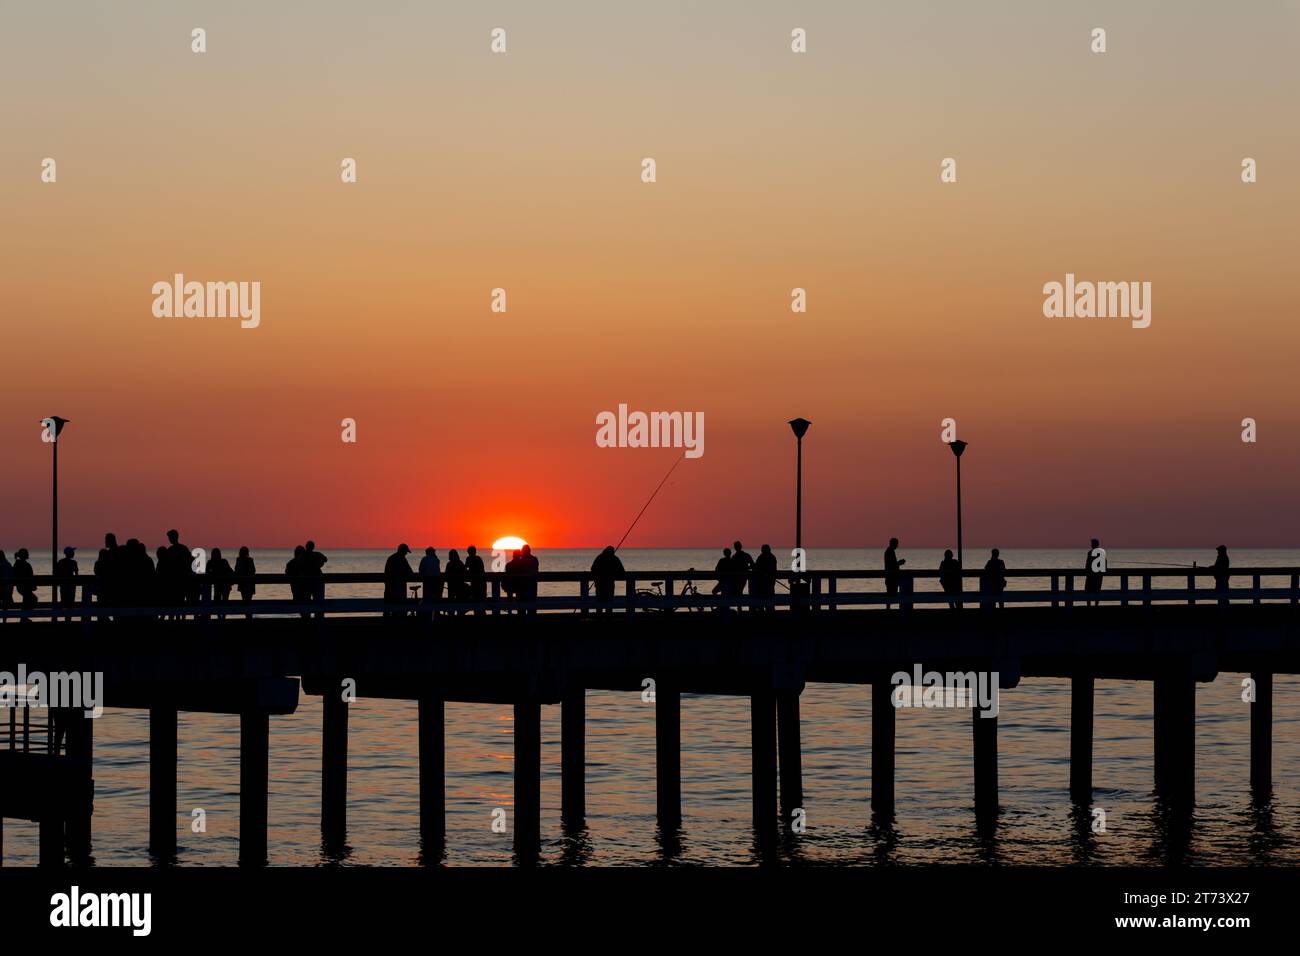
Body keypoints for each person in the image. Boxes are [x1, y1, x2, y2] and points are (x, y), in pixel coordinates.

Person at [590, 545, 624, 616]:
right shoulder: (614, 558)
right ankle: (608, 617)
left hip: (599, 584)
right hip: (609, 584)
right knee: (609, 602)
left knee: (599, 602)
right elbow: (622, 571)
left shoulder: (599, 557)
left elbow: (593, 569)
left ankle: (599, 617)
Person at [383, 544, 413, 618]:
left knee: (388, 607)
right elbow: (410, 572)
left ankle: (387, 622)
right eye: (406, 552)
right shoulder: (402, 559)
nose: (406, 554)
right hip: (399, 588)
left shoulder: (391, 558)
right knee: (400, 608)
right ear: (402, 551)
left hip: (389, 587)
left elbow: (386, 572)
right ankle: (399, 622)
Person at [752, 544, 778, 612]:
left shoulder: (761, 557)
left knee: (762, 600)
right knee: (770, 600)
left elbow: (756, 567)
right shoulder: (772, 557)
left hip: (762, 583)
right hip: (770, 582)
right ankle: (770, 612)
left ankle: (763, 613)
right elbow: (774, 569)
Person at [13, 548, 36, 622]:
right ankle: (24, 617)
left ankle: (24, 617)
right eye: (27, 553)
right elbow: (30, 576)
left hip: (21, 586)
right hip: (25, 586)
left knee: (26, 600)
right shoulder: (25, 565)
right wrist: (33, 586)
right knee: (32, 599)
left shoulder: (17, 564)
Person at [418, 547, 442, 617]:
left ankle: (426, 614)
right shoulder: (437, 559)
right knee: (435, 598)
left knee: (427, 598)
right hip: (437, 582)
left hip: (428, 581)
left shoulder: (424, 559)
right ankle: (436, 613)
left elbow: (420, 569)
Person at [884, 537, 906, 609]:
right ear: (893, 544)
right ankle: (889, 611)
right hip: (891, 577)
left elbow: (891, 564)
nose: (897, 545)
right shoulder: (890, 552)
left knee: (890, 595)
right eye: (896, 544)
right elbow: (892, 565)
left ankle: (889, 609)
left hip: (890, 577)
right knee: (891, 594)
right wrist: (899, 563)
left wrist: (898, 563)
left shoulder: (889, 551)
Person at [55, 546, 79, 611]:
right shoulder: (74, 562)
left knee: (63, 599)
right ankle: (68, 618)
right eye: (73, 552)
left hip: (63, 584)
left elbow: (56, 572)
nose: (74, 553)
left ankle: (64, 615)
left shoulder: (60, 562)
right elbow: (77, 574)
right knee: (71, 601)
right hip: (71, 585)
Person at [517, 545, 540, 615]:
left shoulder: (521, 561)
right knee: (532, 608)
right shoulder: (534, 560)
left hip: (522, 587)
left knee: (521, 608)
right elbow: (536, 571)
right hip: (532, 587)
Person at [234, 547, 256, 619]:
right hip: (250, 583)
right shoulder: (250, 560)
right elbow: (253, 570)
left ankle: (247, 616)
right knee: (248, 601)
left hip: (242, 583)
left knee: (244, 600)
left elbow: (236, 570)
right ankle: (249, 616)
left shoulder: (239, 560)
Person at [731, 541, 754, 608]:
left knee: (738, 592)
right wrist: (747, 568)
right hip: (743, 577)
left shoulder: (734, 556)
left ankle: (739, 608)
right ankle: (740, 607)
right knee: (739, 592)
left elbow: (731, 567)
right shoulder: (746, 555)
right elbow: (753, 565)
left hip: (738, 577)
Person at [464, 545, 487, 612]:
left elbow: (465, 569)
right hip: (482, 582)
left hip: (475, 583)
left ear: (469, 552)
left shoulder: (469, 559)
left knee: (476, 600)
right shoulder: (479, 558)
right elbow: (481, 569)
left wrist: (468, 572)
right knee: (481, 601)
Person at [445, 549, 467, 614]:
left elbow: (446, 574)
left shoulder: (449, 564)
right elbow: (465, 572)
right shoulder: (460, 563)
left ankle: (451, 615)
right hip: (460, 586)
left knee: (451, 601)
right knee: (460, 602)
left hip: (451, 586)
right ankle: (460, 615)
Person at [1084, 538, 1104, 607]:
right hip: (1098, 576)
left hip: (1090, 576)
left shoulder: (1090, 553)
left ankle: (1088, 605)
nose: (1091, 545)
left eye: (1092, 544)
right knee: (1097, 591)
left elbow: (1087, 565)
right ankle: (1096, 605)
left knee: (1088, 591)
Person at [712, 547, 733, 612]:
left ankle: (720, 606)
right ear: (730, 553)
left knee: (714, 591)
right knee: (724, 594)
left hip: (723, 581)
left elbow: (716, 569)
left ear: (724, 554)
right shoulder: (733, 561)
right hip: (731, 582)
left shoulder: (722, 560)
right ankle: (722, 606)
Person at [0, 550, 12, 620]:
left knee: (4, 606)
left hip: (4, 590)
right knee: (5, 607)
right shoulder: (8, 564)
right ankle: (4, 620)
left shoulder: (5, 565)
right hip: (7, 591)